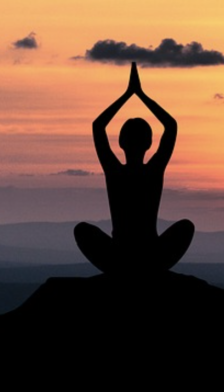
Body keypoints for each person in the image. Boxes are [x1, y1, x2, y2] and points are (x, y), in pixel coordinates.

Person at [74, 62, 194, 274]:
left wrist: (129, 94)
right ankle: (146, 270)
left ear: (120, 143)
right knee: (186, 227)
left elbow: (98, 126)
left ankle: (126, 270)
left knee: (82, 230)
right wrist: (139, 94)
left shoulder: (115, 171)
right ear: (149, 143)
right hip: (150, 255)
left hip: (120, 255)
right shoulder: (153, 170)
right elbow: (171, 126)